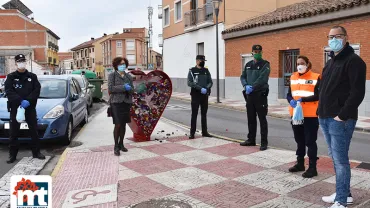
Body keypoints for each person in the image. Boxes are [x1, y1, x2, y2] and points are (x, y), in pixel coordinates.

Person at [318, 26, 366, 208]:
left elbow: (357, 92)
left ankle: (341, 201)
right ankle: (344, 193)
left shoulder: (354, 61)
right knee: (336, 158)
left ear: (346, 38)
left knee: (341, 161)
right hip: (325, 116)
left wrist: (342, 115)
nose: (333, 39)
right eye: (331, 37)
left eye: (338, 36)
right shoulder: (331, 61)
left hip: (340, 119)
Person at [4, 54, 45, 164]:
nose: (22, 63)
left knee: (33, 131)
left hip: (29, 108)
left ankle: (36, 152)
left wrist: (28, 101)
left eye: (23, 61)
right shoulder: (11, 77)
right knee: (13, 132)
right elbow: (8, 91)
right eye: (19, 61)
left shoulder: (32, 76)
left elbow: (37, 90)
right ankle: (12, 155)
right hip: (16, 108)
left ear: (25, 62)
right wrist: (20, 101)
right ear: (16, 63)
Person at [287, 55, 320, 178]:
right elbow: (289, 94)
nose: (299, 65)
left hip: (310, 115)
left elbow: (318, 95)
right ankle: (300, 163)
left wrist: (303, 99)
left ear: (307, 64)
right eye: (297, 63)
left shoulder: (315, 77)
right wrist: (290, 100)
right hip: (296, 114)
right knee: (299, 140)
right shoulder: (293, 77)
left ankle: (312, 168)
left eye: (302, 63)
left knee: (310, 141)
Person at [240, 45, 270, 151]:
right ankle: (251, 139)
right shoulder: (248, 65)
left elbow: (263, 78)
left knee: (262, 119)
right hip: (250, 95)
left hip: (260, 94)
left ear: (261, 52)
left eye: (259, 51)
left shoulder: (265, 64)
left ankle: (263, 142)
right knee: (251, 118)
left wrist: (252, 86)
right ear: (252, 52)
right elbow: (242, 76)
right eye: (255, 51)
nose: (257, 53)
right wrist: (245, 85)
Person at [108, 57, 134, 156]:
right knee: (118, 124)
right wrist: (123, 87)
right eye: (120, 64)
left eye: (124, 64)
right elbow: (111, 88)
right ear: (116, 66)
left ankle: (121, 144)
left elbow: (132, 90)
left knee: (123, 124)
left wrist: (130, 89)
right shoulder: (112, 76)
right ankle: (116, 146)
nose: (122, 66)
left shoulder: (129, 77)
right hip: (116, 102)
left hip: (126, 102)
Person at [187, 55, 213, 139]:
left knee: (204, 114)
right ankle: (192, 133)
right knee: (194, 114)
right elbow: (189, 82)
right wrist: (200, 88)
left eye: (204, 60)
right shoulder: (192, 71)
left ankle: (204, 132)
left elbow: (210, 82)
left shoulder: (206, 70)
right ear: (197, 61)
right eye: (202, 60)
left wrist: (207, 88)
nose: (203, 62)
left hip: (204, 95)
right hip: (195, 95)